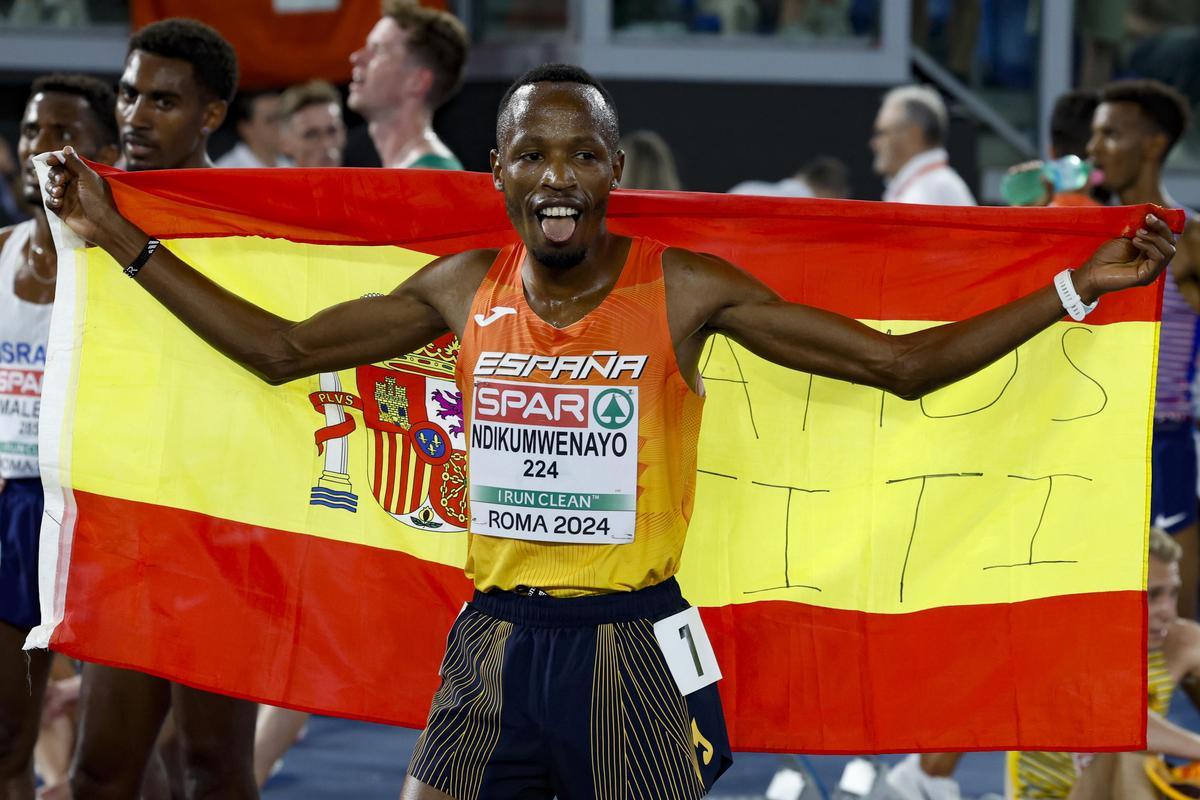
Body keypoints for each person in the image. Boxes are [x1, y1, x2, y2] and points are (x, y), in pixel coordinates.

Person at [43, 62, 1176, 800]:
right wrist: (120, 235)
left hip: (632, 648)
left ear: (615, 172)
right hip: (488, 643)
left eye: (583, 155)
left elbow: (901, 365)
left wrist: (1078, 285)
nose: (558, 178)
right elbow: (278, 350)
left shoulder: (683, 290)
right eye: (533, 153)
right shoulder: (458, 287)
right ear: (497, 171)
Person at [63, 19, 261, 800]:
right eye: (128, 93)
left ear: (211, 115)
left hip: (223, 527)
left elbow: (271, 358)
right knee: (98, 772)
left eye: (163, 101)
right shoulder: (87, 207)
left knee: (211, 768)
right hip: (124, 523)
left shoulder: (255, 219)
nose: (135, 116)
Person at [0, 71, 118, 800]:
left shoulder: (129, 268)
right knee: (7, 740)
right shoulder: (0, 250)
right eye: (32, 131)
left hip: (102, 511)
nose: (42, 148)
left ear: (103, 152)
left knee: (113, 761)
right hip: (14, 509)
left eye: (63, 133)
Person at [1088, 79, 1200, 618]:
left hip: (1166, 444)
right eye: (1093, 135)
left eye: (1111, 133)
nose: (1093, 149)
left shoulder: (1191, 240)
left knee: (1172, 623)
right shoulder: (1086, 238)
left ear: (1153, 144)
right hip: (1092, 445)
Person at [1008, 528, 1200, 798]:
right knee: (1127, 749)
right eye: (1152, 595)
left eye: (1173, 593)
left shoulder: (1182, 643)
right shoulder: (1064, 650)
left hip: (1129, 787)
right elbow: (1121, 723)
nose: (1168, 610)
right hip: (1057, 794)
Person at [348, 0, 468, 170]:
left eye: (377, 49)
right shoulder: (411, 169)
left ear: (417, 82)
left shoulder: (431, 174)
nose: (356, 58)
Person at [871, 84, 975, 205]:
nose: (874, 143)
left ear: (913, 133)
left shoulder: (929, 190)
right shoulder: (934, 185)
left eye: (882, 132)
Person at [279, 80, 347, 169]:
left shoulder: (365, 182)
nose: (326, 144)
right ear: (284, 142)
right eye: (311, 135)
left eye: (332, 131)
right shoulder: (266, 183)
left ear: (344, 133)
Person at [215, 91, 287, 169]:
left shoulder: (292, 164)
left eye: (283, 117)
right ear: (246, 128)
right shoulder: (227, 170)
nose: (280, 125)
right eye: (270, 120)